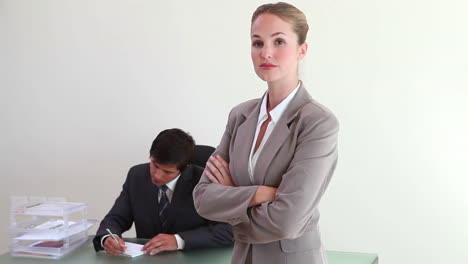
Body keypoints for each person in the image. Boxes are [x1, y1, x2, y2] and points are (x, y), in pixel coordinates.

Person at [193, 2, 339, 264]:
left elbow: (287, 221)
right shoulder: (240, 116)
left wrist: (230, 198)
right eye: (257, 43)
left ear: (302, 50)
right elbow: (203, 198)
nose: (266, 53)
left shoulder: (317, 123)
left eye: (279, 42)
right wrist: (261, 193)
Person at [93, 128, 234, 256]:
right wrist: (108, 237)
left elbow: (228, 231)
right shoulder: (136, 176)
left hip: (195, 258)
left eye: (167, 172)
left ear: (184, 168)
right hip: (150, 259)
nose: (157, 175)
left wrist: (179, 240)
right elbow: (115, 218)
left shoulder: (205, 182)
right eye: (155, 165)